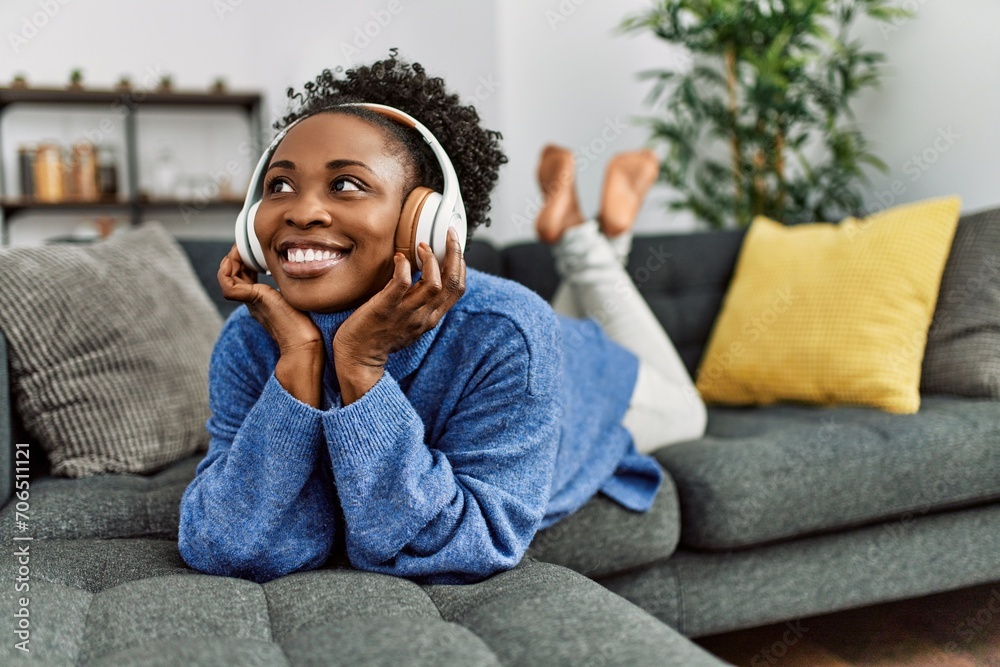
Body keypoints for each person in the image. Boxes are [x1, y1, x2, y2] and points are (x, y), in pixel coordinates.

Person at [178, 51, 706, 586]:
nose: (300, 210)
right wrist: (301, 364)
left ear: (424, 223)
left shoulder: (507, 332)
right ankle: (585, 230)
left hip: (590, 381)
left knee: (690, 412)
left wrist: (360, 366)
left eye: (345, 185)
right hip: (533, 346)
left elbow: (469, 545)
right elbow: (225, 543)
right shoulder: (250, 338)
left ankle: (585, 238)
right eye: (280, 186)